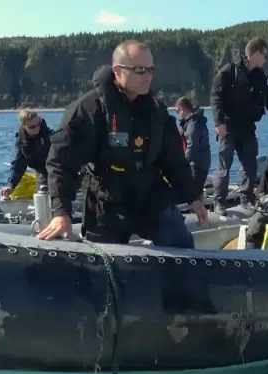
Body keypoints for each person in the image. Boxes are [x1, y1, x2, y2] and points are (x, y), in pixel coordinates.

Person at [36, 40, 208, 248]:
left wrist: (193, 197)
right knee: (102, 259)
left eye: (151, 70)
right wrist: (61, 212)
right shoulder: (89, 111)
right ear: (117, 71)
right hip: (106, 201)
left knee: (179, 239)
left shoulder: (158, 113)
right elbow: (60, 162)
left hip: (149, 195)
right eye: (140, 70)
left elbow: (175, 162)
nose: (147, 76)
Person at [209, 37, 268, 216]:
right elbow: (215, 96)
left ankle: (246, 198)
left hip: (247, 127)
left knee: (250, 164)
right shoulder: (229, 71)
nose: (265, 60)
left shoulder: (260, 77)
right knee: (224, 165)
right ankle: (219, 201)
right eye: (264, 55)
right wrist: (218, 122)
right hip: (228, 126)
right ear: (255, 53)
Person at [0, 109, 55, 198]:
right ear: (24, 126)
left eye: (38, 124)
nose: (37, 128)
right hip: (42, 172)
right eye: (32, 127)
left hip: (58, 169)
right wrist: (10, 185)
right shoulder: (21, 141)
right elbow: (18, 164)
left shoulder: (51, 136)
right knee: (42, 195)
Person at [176, 96, 210, 198]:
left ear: (182, 109)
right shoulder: (191, 121)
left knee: (195, 193)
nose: (178, 114)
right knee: (196, 191)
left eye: (178, 111)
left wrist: (183, 163)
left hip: (197, 164)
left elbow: (192, 146)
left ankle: (199, 204)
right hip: (200, 162)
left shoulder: (193, 124)